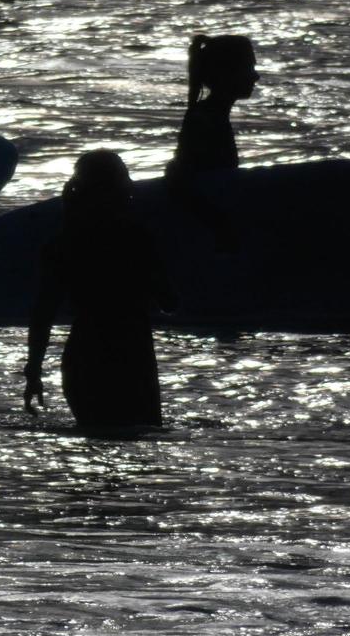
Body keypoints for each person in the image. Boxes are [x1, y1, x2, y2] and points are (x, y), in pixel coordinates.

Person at [24, 150, 175, 429]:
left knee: (94, 439)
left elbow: (43, 312)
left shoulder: (63, 243)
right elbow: (169, 300)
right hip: (133, 352)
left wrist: (34, 370)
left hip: (86, 353)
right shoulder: (137, 238)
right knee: (142, 441)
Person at [163, 34, 257, 248]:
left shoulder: (209, 116)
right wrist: (219, 224)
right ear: (227, 73)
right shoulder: (205, 121)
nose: (256, 76)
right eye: (249, 68)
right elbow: (180, 181)